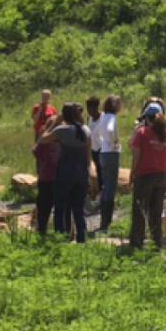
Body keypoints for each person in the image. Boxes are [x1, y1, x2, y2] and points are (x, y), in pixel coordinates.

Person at [40, 103, 93, 243]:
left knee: (60, 208)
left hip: (65, 174)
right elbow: (88, 158)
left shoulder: (62, 130)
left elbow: (43, 139)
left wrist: (54, 123)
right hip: (81, 174)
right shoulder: (86, 130)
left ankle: (61, 239)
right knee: (79, 210)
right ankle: (82, 239)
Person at [130, 103, 166, 249]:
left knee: (140, 211)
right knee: (156, 212)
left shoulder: (142, 133)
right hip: (161, 177)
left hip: (144, 176)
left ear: (147, 118)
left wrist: (132, 174)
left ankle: (137, 243)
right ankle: (156, 243)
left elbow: (136, 156)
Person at [96, 95, 122, 233]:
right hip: (112, 152)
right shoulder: (112, 118)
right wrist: (115, 141)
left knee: (106, 186)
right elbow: (111, 130)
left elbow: (98, 133)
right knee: (111, 187)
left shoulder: (103, 117)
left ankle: (103, 220)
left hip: (103, 152)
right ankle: (107, 223)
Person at [32, 115, 62, 235]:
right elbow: (35, 150)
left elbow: (35, 151)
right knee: (49, 206)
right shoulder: (49, 142)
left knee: (49, 207)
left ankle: (47, 230)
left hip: (51, 178)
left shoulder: (53, 141)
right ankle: (47, 231)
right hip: (51, 178)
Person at [86, 96, 104, 201]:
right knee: (98, 170)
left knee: (103, 171)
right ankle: (99, 193)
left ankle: (104, 194)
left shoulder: (103, 118)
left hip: (103, 149)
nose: (89, 111)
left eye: (90, 108)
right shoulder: (90, 119)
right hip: (94, 149)